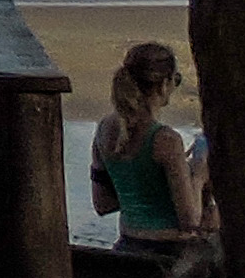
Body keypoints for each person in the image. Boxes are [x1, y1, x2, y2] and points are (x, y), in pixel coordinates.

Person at [90, 39, 212, 243]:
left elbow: (103, 204)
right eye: (176, 79)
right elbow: (190, 221)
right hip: (168, 252)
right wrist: (197, 176)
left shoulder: (105, 129)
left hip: (127, 244)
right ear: (164, 84)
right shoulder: (165, 139)